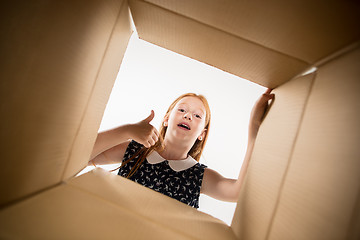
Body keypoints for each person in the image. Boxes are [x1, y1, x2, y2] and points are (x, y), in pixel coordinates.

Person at [89, 89, 274, 208]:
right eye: (182, 110)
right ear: (167, 118)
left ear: (202, 133)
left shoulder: (198, 176)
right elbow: (83, 153)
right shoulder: (135, 150)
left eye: (197, 115)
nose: (188, 116)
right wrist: (127, 130)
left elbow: (237, 192)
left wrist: (254, 128)